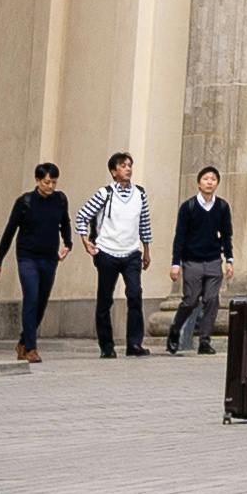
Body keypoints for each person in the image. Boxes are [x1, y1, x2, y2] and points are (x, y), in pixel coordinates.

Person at [0, 162, 74, 364]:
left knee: (41, 302)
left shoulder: (60, 200)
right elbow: (10, 231)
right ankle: (31, 348)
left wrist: (68, 243)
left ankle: (22, 341)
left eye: (54, 182)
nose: (51, 186)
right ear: (38, 180)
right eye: (47, 182)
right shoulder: (25, 202)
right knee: (31, 297)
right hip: (27, 257)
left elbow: (65, 223)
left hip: (49, 258)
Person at [81, 153, 153, 359]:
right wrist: (85, 240)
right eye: (123, 166)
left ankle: (134, 344)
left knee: (135, 294)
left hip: (131, 253)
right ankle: (106, 345)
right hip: (107, 252)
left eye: (130, 165)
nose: (128, 169)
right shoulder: (105, 193)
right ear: (114, 171)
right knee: (105, 299)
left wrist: (146, 250)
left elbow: (145, 223)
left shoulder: (140, 194)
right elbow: (82, 215)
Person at [167, 166, 233, 354]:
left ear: (217, 183)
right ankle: (175, 330)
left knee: (212, 300)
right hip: (192, 261)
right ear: (198, 182)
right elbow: (180, 236)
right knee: (191, 299)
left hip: (213, 260)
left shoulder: (222, 207)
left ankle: (205, 340)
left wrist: (229, 259)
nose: (209, 182)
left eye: (213, 179)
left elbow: (227, 234)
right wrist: (175, 263)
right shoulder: (188, 207)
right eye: (205, 178)